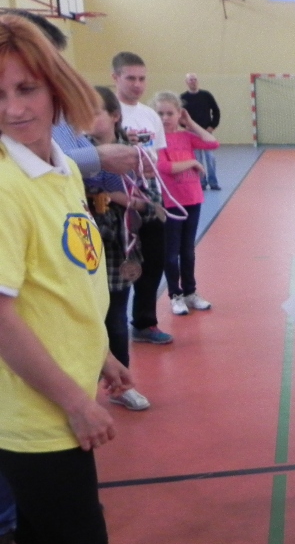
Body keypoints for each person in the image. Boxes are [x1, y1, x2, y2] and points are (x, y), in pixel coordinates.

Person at [0, 13, 207, 544]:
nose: (12, 108)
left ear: (55, 87)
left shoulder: (58, 167)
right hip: (39, 414)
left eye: (25, 89)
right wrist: (72, 399)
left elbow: (60, 284)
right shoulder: (5, 186)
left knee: (35, 536)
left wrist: (102, 355)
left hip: (57, 394)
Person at [0, 9, 138, 180]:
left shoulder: (59, 116)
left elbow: (96, 178)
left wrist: (131, 161)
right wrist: (98, 157)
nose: (15, 110)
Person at [85, 86, 154, 411]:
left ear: (114, 115)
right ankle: (80, 390)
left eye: (94, 111)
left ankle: (120, 386)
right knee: (80, 321)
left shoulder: (133, 155)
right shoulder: (72, 154)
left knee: (115, 320)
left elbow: (153, 205)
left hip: (117, 251)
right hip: (82, 251)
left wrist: (116, 197)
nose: (85, 119)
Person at [112, 52, 173, 345]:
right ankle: (112, 328)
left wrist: (150, 175)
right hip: (116, 199)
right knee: (118, 265)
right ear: (115, 78)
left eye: (142, 78)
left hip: (150, 197)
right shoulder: (107, 113)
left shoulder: (150, 116)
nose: (137, 84)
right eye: (130, 78)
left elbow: (156, 157)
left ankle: (144, 323)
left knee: (155, 260)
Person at [152, 92, 218, 316]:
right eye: (160, 113)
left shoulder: (186, 136)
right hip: (171, 203)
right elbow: (165, 167)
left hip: (193, 199)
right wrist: (192, 162)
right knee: (171, 253)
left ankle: (190, 292)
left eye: (170, 113)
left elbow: (212, 143)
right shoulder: (156, 140)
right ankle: (175, 295)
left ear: (178, 114)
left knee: (188, 251)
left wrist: (190, 123)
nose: (165, 118)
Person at [180, 74, 221, 191]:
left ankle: (213, 183)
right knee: (197, 159)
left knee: (210, 158)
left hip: (206, 133)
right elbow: (178, 114)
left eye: (195, 79)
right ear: (186, 82)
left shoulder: (206, 95)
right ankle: (201, 182)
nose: (193, 82)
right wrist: (185, 125)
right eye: (190, 80)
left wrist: (212, 126)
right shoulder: (182, 98)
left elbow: (216, 111)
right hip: (192, 134)